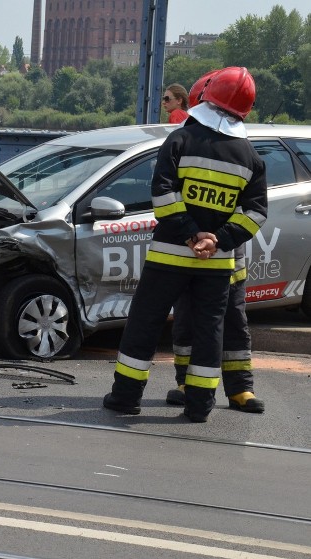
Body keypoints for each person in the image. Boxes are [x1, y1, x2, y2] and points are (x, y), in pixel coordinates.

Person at [103, 67, 267, 423]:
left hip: (170, 257)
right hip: (218, 264)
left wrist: (191, 234)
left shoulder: (179, 140)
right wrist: (217, 240)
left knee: (145, 323)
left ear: (205, 96)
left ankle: (126, 397)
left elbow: (162, 195)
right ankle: (199, 407)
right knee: (210, 332)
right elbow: (255, 214)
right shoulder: (251, 158)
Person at [167, 70, 264, 414]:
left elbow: (251, 209)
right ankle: (186, 383)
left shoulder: (242, 152)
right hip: (188, 253)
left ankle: (240, 390)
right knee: (188, 322)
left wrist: (219, 240)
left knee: (234, 322)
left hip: (226, 256)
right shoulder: (185, 142)